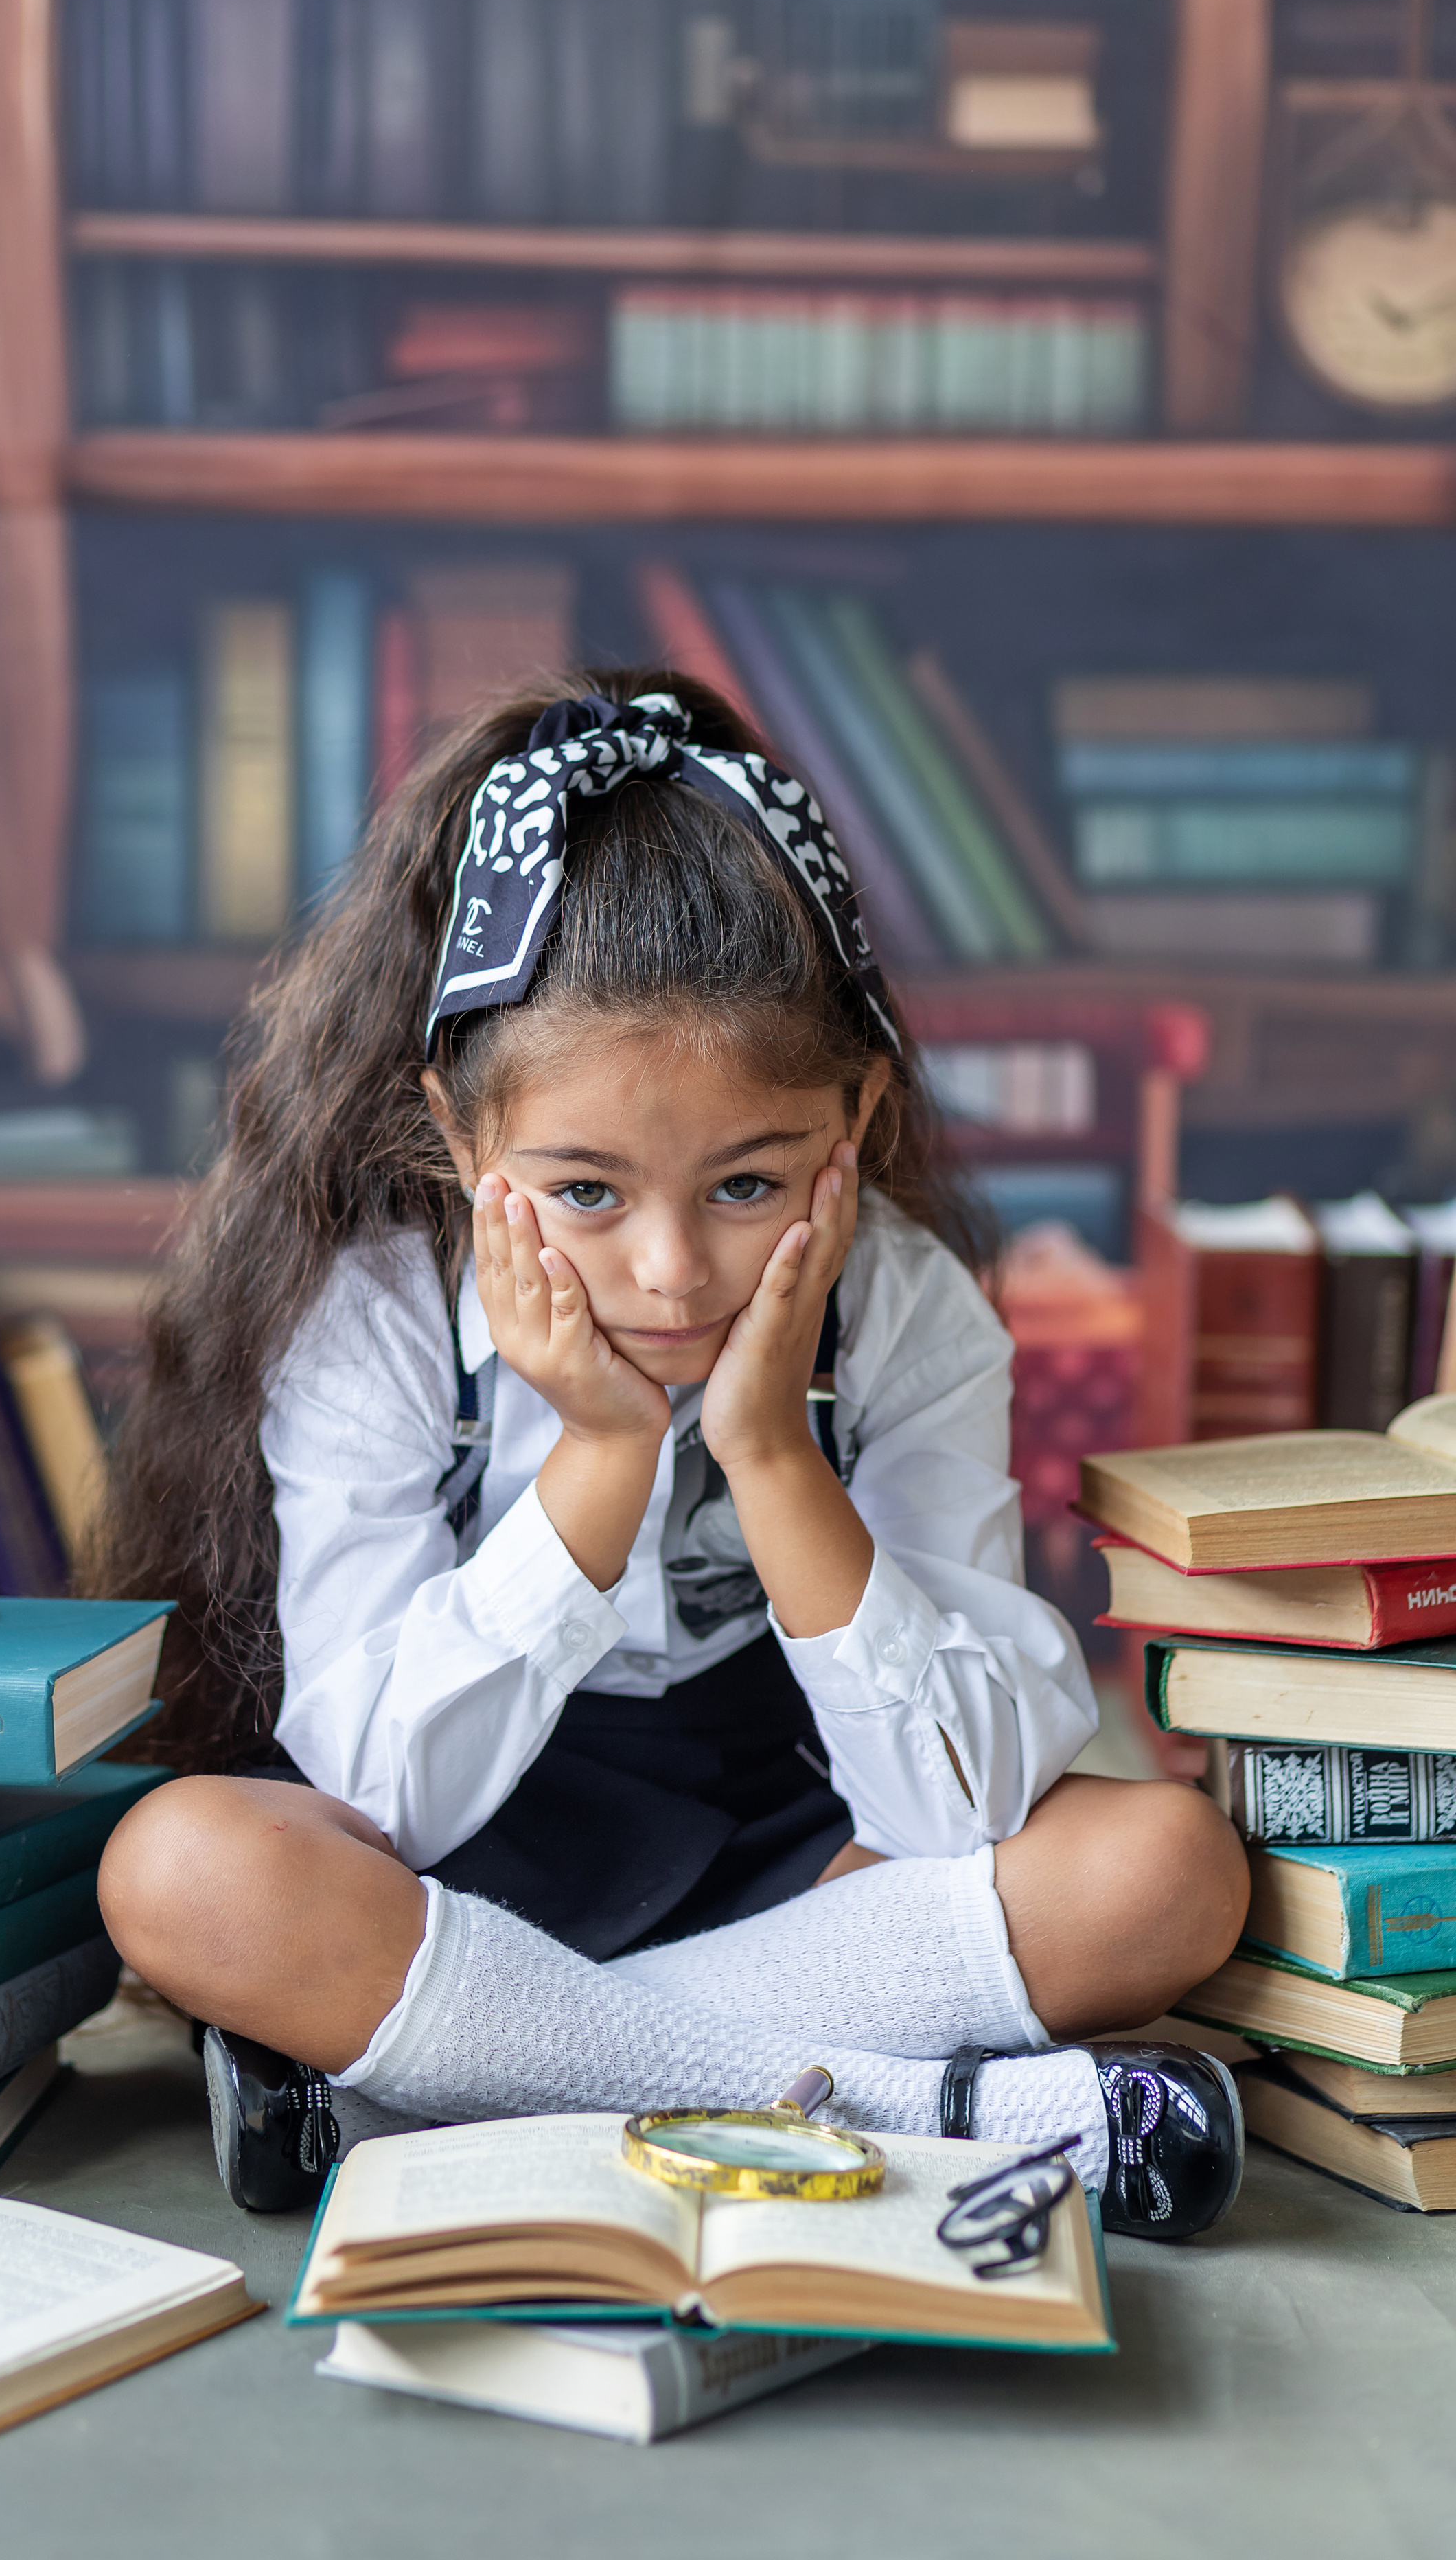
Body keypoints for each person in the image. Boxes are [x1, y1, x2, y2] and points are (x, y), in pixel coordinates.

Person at [95, 670, 1249, 2237]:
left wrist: (771, 1455)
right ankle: (940, 2109)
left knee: (1165, 1867)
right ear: (461, 1137)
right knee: (181, 1867)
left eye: (745, 1186)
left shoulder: (905, 1309)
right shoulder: (377, 1317)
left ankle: (412, 2091)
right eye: (585, 1192)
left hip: (807, 1864)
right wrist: (598, 1454)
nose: (668, 1274)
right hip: (467, 1876)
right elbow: (389, 1795)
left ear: (856, 1114)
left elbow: (950, 1814)